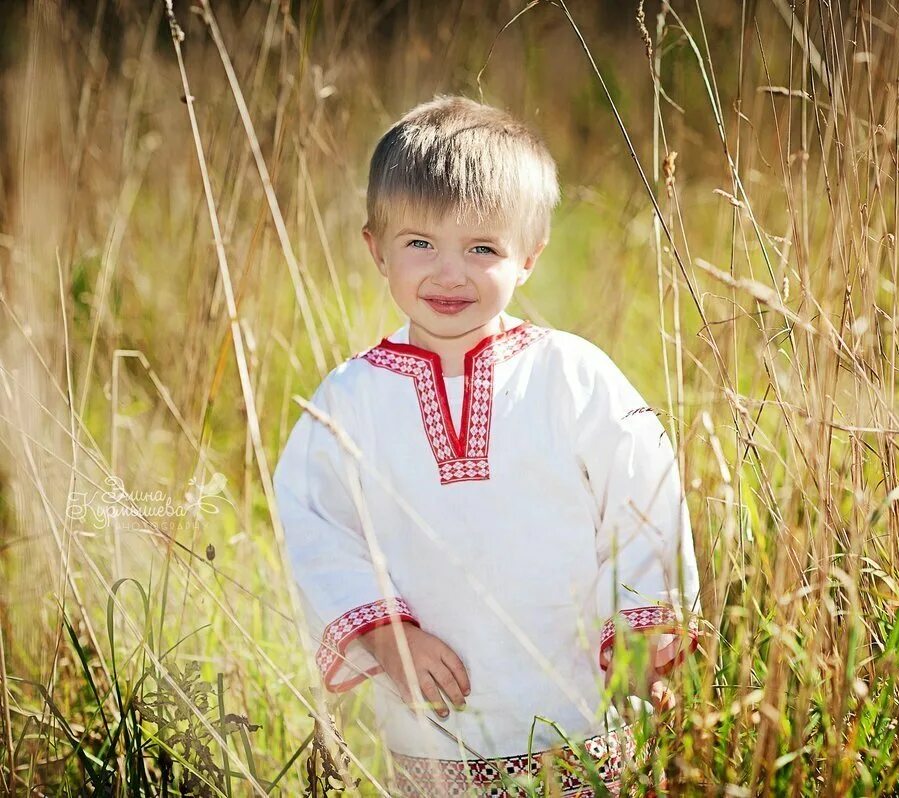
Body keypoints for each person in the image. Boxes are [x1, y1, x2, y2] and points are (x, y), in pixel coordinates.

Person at [271, 94, 704, 797]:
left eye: (482, 248)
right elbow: (315, 527)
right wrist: (384, 633)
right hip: (435, 731)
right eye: (420, 243)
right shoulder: (349, 400)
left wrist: (637, 636)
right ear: (375, 247)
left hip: (576, 714)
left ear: (528, 257)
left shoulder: (572, 374)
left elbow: (644, 496)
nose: (450, 273)